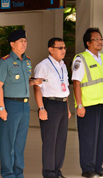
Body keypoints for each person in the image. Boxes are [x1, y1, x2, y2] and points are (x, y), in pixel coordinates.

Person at [0, 29, 42, 178]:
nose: (24, 44)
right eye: (21, 41)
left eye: (25, 41)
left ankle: (18, 172)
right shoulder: (5, 62)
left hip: (24, 106)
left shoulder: (27, 61)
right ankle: (8, 173)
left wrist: (34, 81)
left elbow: (23, 83)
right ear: (12, 44)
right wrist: (1, 107)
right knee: (8, 143)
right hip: (10, 104)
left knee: (20, 143)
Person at [72, 27, 103, 178]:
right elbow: (77, 83)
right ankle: (87, 169)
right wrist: (79, 105)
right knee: (88, 138)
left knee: (101, 137)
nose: (99, 42)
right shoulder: (81, 58)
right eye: (96, 39)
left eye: (101, 39)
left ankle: (98, 167)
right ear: (88, 43)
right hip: (88, 105)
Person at [33, 37, 71, 178]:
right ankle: (48, 172)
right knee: (50, 140)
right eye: (60, 48)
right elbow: (37, 88)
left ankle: (57, 170)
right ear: (51, 49)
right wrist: (41, 108)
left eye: (64, 48)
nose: (63, 50)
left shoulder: (63, 65)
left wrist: (66, 107)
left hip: (62, 103)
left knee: (61, 140)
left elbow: (64, 87)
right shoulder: (43, 66)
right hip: (49, 104)